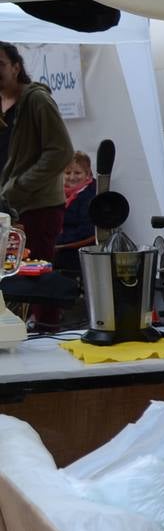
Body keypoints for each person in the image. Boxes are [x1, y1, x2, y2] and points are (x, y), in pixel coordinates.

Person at [0, 42, 75, 331]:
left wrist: (18, 187)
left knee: (38, 279)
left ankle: (45, 335)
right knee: (11, 278)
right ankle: (15, 333)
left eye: (1, 64)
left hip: (37, 206)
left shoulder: (36, 100)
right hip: (10, 208)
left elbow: (61, 151)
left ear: (17, 67)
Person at [55, 151, 97, 275]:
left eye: (77, 173)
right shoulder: (58, 193)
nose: (72, 177)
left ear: (87, 174)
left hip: (76, 251)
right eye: (68, 173)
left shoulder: (91, 196)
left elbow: (87, 230)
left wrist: (58, 243)